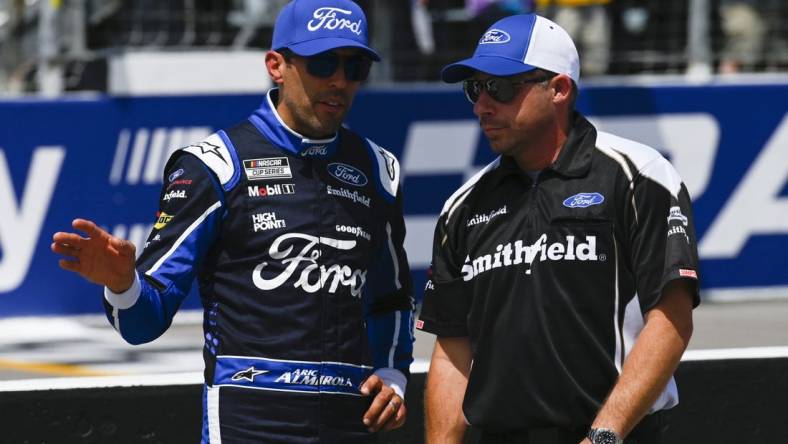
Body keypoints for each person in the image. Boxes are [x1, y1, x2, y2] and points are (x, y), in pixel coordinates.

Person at [51, 0, 415, 442]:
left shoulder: (378, 170)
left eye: (355, 66)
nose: (339, 80)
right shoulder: (215, 166)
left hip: (350, 423)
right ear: (276, 66)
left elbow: (391, 298)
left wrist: (393, 373)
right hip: (249, 423)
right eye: (322, 63)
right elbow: (142, 322)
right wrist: (123, 284)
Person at [418, 13, 698, 444]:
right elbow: (453, 350)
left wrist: (604, 436)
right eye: (475, 88)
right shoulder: (462, 206)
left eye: (500, 87)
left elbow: (672, 319)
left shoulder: (637, 175)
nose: (481, 105)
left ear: (559, 89)